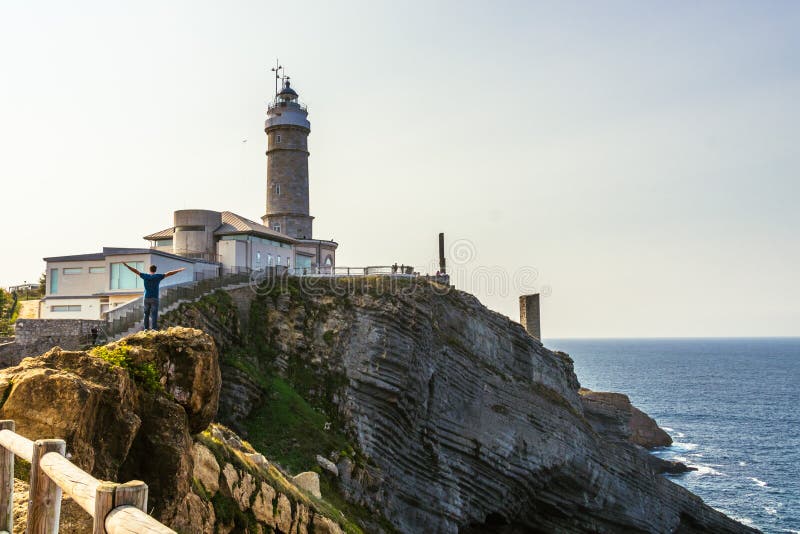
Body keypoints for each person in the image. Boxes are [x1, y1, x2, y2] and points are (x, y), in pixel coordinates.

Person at [123, 263, 185, 330]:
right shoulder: (158, 276)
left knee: (146, 314)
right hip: (154, 298)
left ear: (149, 270)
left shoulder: (145, 276)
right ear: (155, 270)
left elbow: (135, 271)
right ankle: (154, 329)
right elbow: (169, 273)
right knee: (154, 314)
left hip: (146, 298)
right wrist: (179, 270)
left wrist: (127, 266)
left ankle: (146, 329)